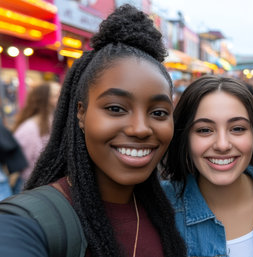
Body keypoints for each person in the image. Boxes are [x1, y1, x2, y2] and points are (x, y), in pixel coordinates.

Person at [0, 4, 186, 257]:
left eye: (158, 113)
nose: (141, 129)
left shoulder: (170, 212)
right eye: (116, 108)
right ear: (81, 113)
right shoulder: (29, 222)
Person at [161, 75, 253, 257]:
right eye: (204, 130)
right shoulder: (160, 204)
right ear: (184, 138)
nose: (222, 145)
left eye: (237, 128)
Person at [12, 82, 60, 190]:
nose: (62, 97)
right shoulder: (29, 128)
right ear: (45, 99)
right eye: (56, 95)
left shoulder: (54, 121)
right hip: (32, 185)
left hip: (47, 183)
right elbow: (22, 164)